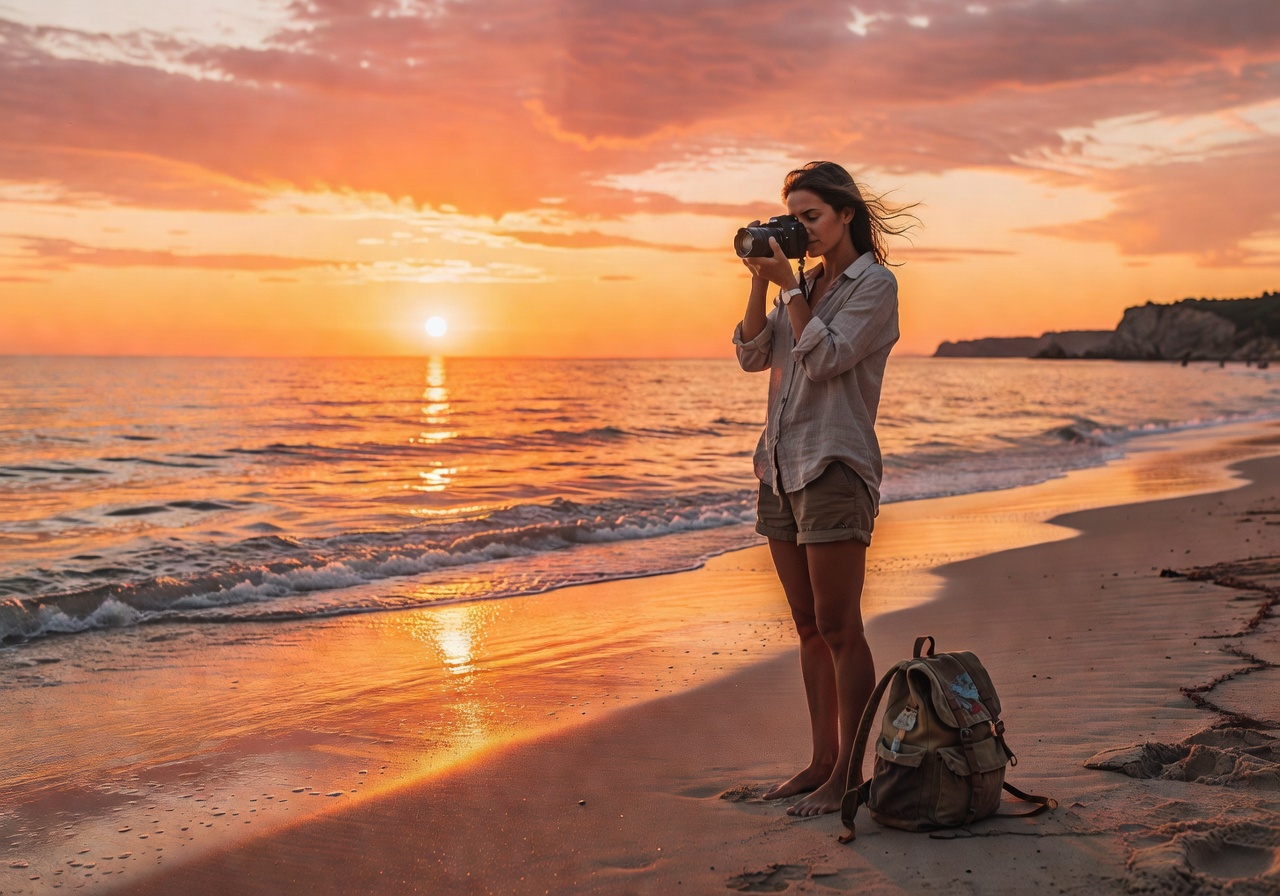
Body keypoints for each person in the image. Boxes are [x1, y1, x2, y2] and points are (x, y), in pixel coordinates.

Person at [733, 161, 908, 817]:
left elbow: (830, 357)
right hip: (779, 466)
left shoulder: (875, 286)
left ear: (846, 217)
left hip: (834, 464)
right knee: (806, 625)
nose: (800, 228)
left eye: (811, 216)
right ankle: (820, 760)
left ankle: (850, 777)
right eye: (793, 217)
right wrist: (763, 283)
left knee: (840, 626)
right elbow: (753, 356)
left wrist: (794, 295)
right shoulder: (798, 284)